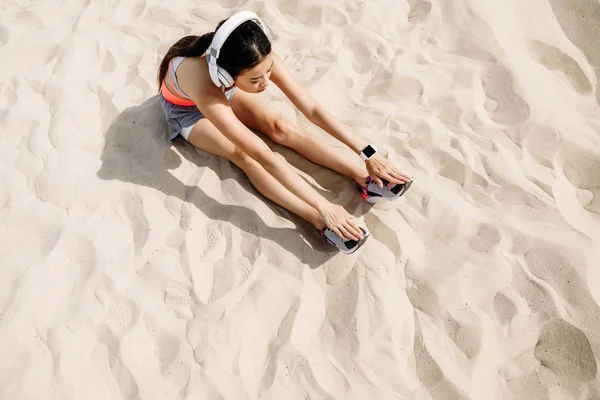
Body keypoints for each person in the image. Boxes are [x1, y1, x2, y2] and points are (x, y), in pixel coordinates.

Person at [157, 11, 412, 255]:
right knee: (243, 155)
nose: (267, 82)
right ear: (225, 74)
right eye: (256, 80)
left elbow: (311, 109)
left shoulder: (257, 57)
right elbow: (262, 154)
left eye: (268, 71)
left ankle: (364, 181)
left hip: (230, 88)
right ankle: (319, 222)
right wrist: (322, 206)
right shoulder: (206, 86)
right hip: (187, 111)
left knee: (279, 127)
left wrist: (368, 154)